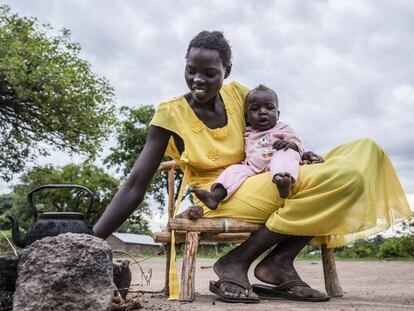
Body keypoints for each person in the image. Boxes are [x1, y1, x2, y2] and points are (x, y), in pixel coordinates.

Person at [93, 30, 412, 303]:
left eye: (210, 73)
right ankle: (238, 262)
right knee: (343, 179)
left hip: (269, 177)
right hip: (219, 196)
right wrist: (92, 239)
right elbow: (136, 183)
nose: (199, 80)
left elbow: (273, 129)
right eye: (191, 70)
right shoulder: (169, 114)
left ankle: (278, 263)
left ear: (226, 70)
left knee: (366, 150)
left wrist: (299, 151)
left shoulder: (238, 95)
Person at [191, 84, 304, 210]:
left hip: (276, 162)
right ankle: (215, 196)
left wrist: (290, 144)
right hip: (252, 168)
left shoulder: (282, 128)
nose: (262, 112)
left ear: (277, 114)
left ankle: (283, 180)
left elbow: (296, 142)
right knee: (234, 170)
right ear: (247, 118)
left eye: (269, 108)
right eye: (255, 109)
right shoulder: (247, 132)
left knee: (286, 153)